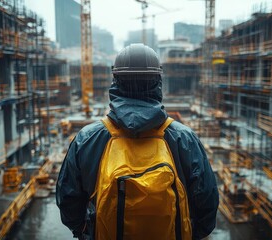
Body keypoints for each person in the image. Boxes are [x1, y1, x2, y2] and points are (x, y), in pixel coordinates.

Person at [56, 43, 219, 239]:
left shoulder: (87, 138)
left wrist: (87, 232)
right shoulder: (184, 138)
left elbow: (68, 201)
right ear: (158, 82)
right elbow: (208, 204)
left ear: (115, 81)